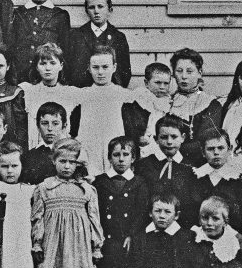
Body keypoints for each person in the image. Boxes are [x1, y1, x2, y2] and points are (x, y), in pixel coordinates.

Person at [31, 138, 103, 268]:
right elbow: (37, 217)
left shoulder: (86, 190)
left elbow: (94, 219)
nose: (67, 166)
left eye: (72, 162)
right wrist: (37, 243)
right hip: (53, 244)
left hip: (79, 245)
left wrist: (96, 246)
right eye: (62, 161)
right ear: (54, 161)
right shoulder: (44, 187)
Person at [91, 136, 148, 268]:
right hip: (107, 242)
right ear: (109, 157)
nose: (121, 159)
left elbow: (141, 211)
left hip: (128, 243)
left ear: (133, 158)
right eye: (116, 155)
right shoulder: (100, 182)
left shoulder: (139, 183)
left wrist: (132, 234)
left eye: (126, 155)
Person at [76, 45, 135, 173]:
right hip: (90, 151)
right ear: (89, 68)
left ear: (114, 67)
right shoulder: (82, 95)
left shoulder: (124, 95)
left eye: (105, 67)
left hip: (116, 152)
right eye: (95, 68)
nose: (100, 72)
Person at [134, 115, 200, 228]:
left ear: (183, 138)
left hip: (183, 229)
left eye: (174, 137)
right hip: (149, 228)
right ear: (156, 139)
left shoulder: (191, 167)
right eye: (164, 137)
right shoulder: (144, 166)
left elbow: (193, 204)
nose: (169, 142)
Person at [10, 0, 70, 82]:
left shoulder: (60, 15)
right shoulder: (17, 14)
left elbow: (65, 51)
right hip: (20, 78)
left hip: (48, 78)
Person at [192, 128, 242, 237]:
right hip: (199, 236)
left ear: (229, 150)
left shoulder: (237, 179)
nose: (216, 153)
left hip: (228, 237)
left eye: (220, 148)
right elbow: (189, 211)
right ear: (203, 152)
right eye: (210, 149)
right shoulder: (196, 176)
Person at [167, 48, 223, 165]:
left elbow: (207, 141)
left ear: (200, 73)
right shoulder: (167, 103)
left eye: (189, 71)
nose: (183, 76)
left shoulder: (210, 104)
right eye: (179, 71)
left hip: (201, 164)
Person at [65, 0, 131, 88]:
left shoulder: (118, 37)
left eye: (100, 6)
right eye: (91, 7)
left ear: (110, 10)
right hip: (81, 93)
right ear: (87, 11)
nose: (96, 11)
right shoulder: (75, 36)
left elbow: (124, 72)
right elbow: (68, 69)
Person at [22, 43, 79, 147]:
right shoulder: (27, 91)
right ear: (36, 67)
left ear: (61, 66)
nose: (48, 68)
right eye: (43, 63)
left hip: (62, 149)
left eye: (52, 63)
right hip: (36, 150)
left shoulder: (71, 93)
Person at [122, 62, 173, 158]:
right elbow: (130, 128)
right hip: (142, 147)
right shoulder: (138, 102)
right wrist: (139, 139)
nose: (162, 87)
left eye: (166, 83)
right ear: (146, 83)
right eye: (157, 82)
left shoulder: (169, 103)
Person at [21, 102, 69, 185]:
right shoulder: (29, 156)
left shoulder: (71, 154)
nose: (50, 128)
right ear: (38, 127)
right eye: (45, 123)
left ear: (64, 127)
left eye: (55, 124)